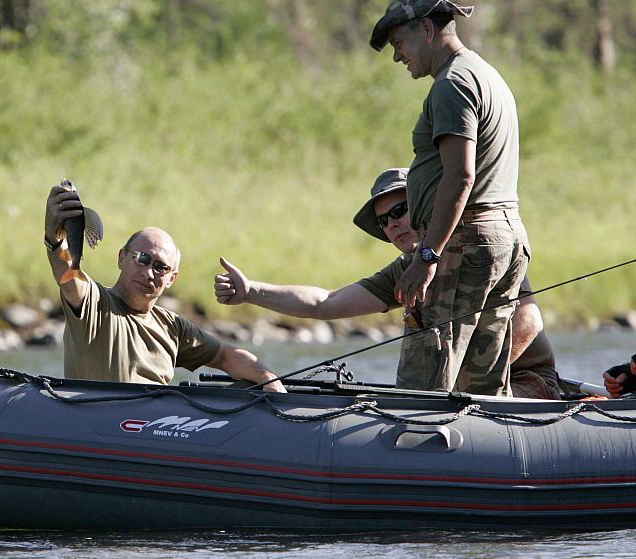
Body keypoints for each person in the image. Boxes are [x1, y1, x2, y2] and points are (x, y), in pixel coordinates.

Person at [215, 168, 560, 399]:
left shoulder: (472, 248)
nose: (392, 225)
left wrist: (465, 378)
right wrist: (251, 291)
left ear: (425, 206)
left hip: (525, 384)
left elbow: (529, 322)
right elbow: (326, 303)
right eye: (383, 221)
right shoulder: (406, 271)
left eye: (399, 211)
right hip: (455, 396)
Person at [366, 0, 530, 395]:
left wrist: (427, 255)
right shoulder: (486, 73)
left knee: (422, 392)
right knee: (482, 393)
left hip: (463, 244)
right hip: (504, 238)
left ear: (426, 28)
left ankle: (419, 439)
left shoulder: (451, 84)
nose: (396, 55)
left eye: (398, 42)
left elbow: (460, 176)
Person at [44, 183, 286, 392]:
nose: (149, 272)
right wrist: (54, 238)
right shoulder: (93, 305)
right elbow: (69, 277)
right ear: (122, 258)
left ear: (171, 278)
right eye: (142, 259)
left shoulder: (172, 326)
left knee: (248, 387)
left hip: (154, 427)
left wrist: (268, 379)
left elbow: (225, 355)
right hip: (101, 424)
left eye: (160, 267)